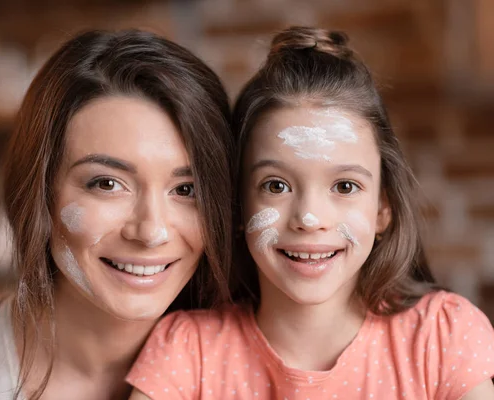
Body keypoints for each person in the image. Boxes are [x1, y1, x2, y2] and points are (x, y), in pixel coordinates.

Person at [126, 26, 494, 399]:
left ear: (384, 208)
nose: (309, 218)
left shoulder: (442, 337)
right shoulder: (189, 352)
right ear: (238, 206)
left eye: (345, 186)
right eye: (276, 185)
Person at [0, 29, 234, 400]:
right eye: (106, 184)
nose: (151, 231)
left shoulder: (257, 367)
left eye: (186, 190)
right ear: (40, 192)